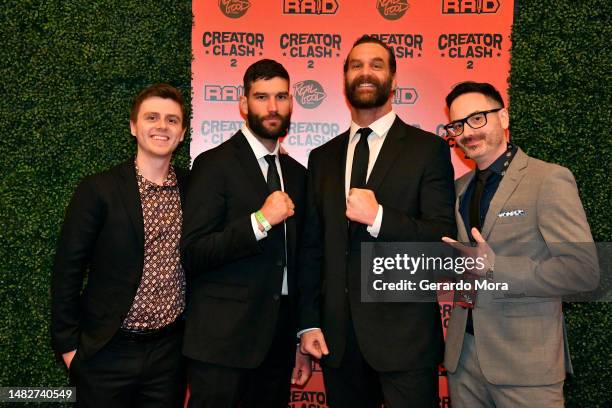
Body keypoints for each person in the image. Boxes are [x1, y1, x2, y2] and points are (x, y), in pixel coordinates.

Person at [297, 35, 456, 407]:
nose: (365, 72)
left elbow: (442, 241)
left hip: (405, 341)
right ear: (345, 79)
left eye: (376, 64)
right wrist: (308, 322)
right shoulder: (322, 157)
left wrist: (380, 219)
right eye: (356, 65)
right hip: (337, 342)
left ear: (394, 79)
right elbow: (311, 249)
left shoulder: (427, 149)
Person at [441, 81, 599, 407]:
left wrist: (496, 265)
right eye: (458, 125)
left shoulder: (548, 180)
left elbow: (583, 272)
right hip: (464, 360)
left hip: (526, 365)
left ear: (503, 117)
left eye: (477, 118)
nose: (467, 132)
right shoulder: (458, 189)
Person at [181, 59, 310, 407]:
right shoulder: (213, 165)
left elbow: (300, 265)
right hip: (222, 343)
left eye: (281, 97)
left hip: (278, 341)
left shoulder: (298, 175)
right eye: (262, 96)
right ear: (243, 104)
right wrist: (260, 222)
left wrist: (300, 337)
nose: (272, 107)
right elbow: (193, 253)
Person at [51, 83, 189, 407]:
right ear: (133, 126)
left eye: (172, 120)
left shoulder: (194, 187)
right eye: (151, 117)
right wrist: (70, 349)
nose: (161, 126)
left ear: (182, 133)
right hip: (106, 352)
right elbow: (67, 269)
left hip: (168, 356)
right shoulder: (98, 190)